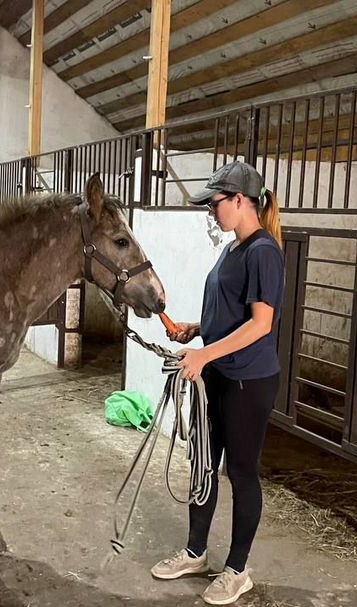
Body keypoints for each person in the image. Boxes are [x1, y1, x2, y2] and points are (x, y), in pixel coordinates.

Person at [151, 161, 284, 606]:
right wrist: (196, 330)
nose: (211, 210)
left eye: (215, 202)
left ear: (241, 201)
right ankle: (195, 552)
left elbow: (260, 325)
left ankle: (237, 570)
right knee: (203, 466)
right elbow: (230, 316)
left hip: (248, 381)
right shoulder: (232, 249)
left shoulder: (263, 251)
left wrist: (205, 353)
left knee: (242, 474)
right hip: (217, 375)